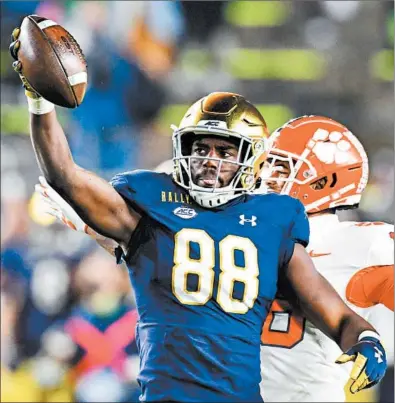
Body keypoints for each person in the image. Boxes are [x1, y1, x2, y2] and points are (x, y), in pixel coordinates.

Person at [10, 27, 387, 402]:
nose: (209, 160)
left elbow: (328, 308)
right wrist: (40, 103)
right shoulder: (152, 204)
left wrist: (363, 337)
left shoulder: (274, 218)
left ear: (250, 159)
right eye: (200, 147)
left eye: (225, 152)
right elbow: (63, 172)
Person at [258, 115, 394, 402]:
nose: (266, 176)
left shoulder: (360, 244)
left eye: (282, 167)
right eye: (267, 165)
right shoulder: (242, 232)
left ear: (324, 181)